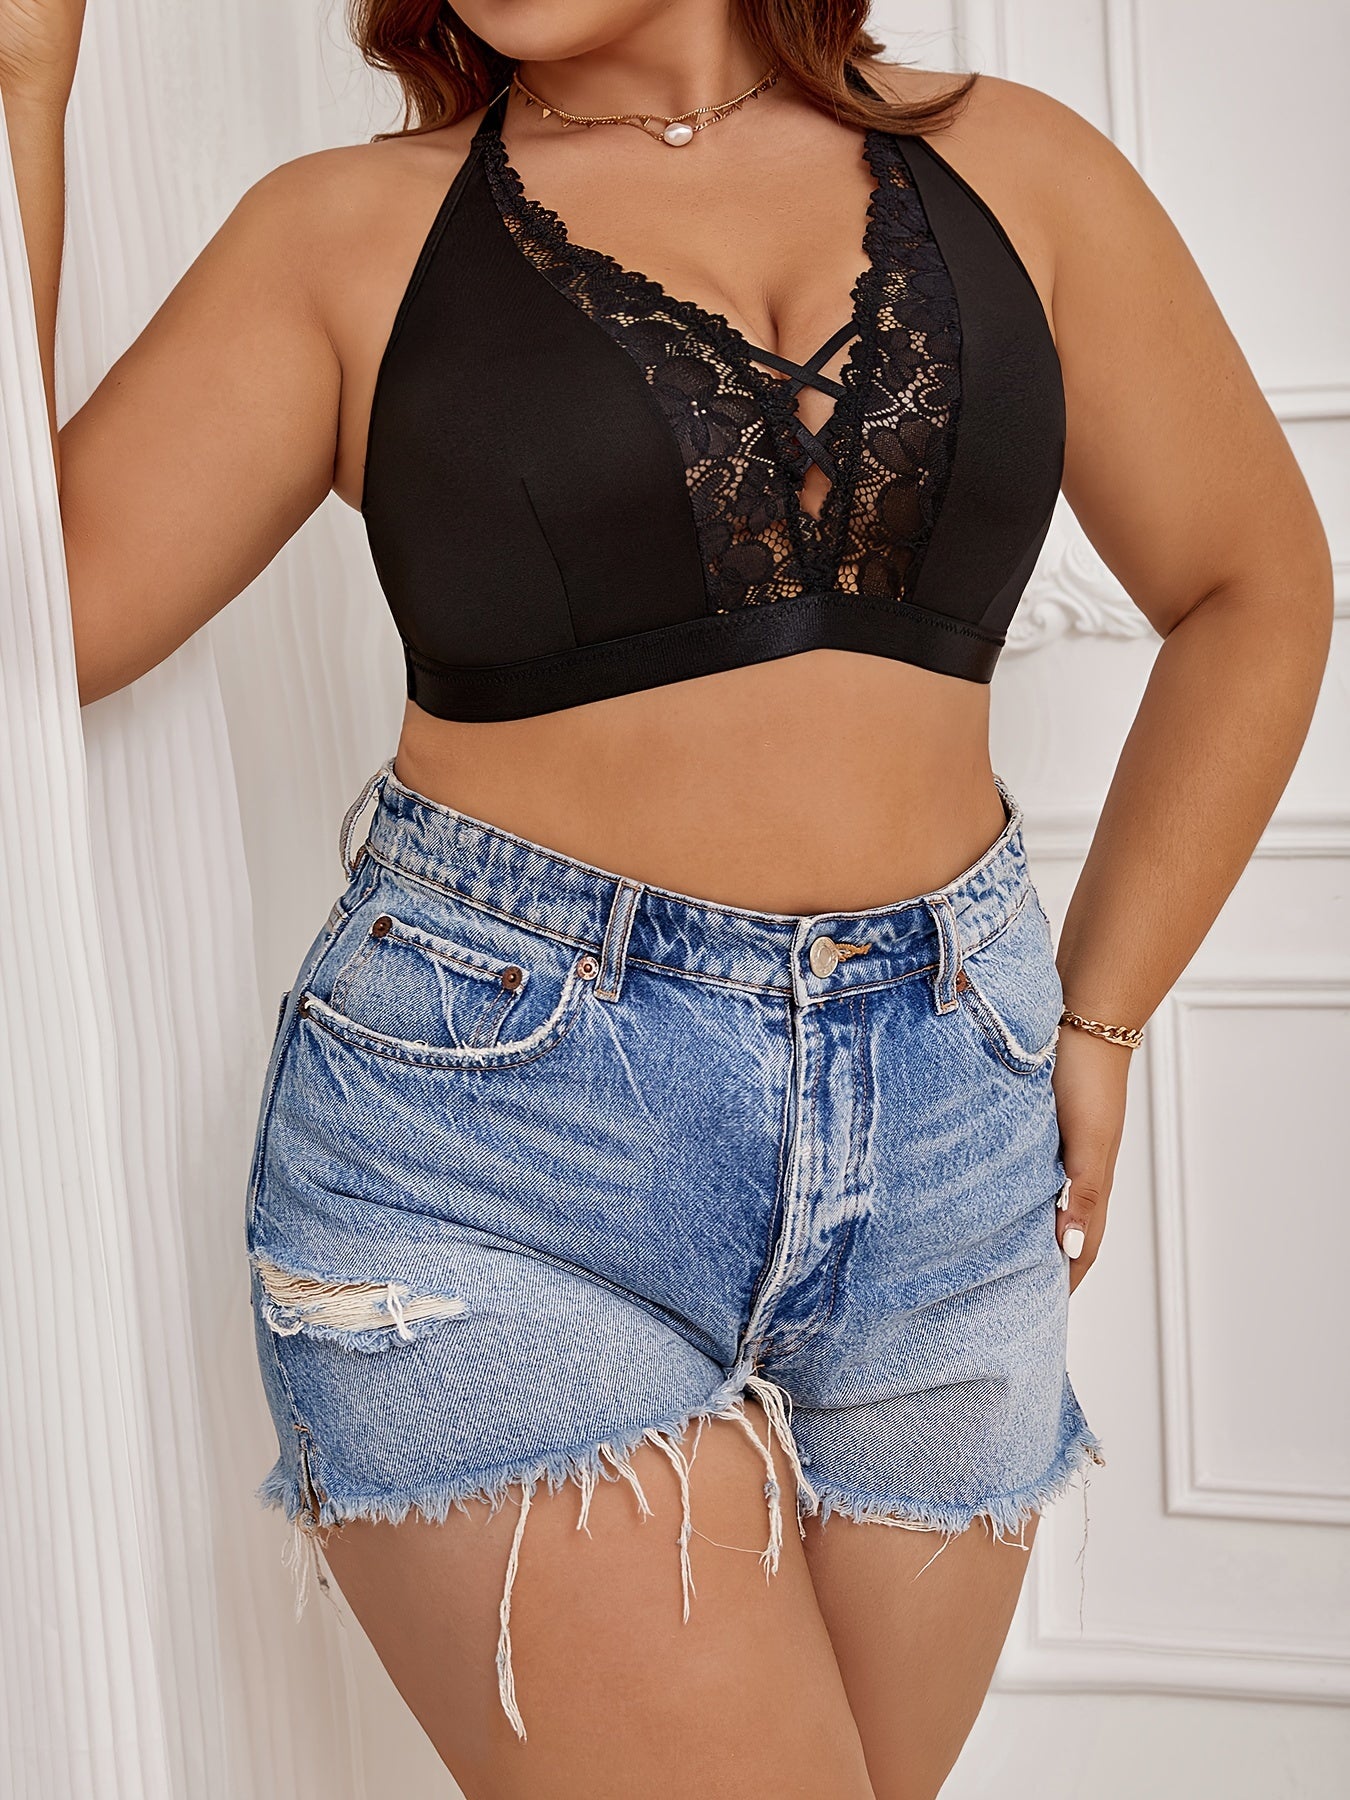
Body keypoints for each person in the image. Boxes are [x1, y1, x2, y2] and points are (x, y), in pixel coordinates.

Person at [3, 0, 1332, 1793]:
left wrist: (1097, 1015)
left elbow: (1253, 584)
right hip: (494, 1152)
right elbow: (42, 618)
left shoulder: (1022, 171)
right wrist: (25, 90)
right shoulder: (341, 234)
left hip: (949, 1143)